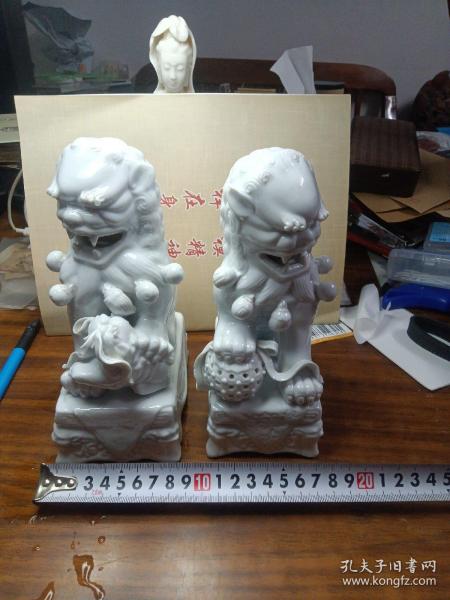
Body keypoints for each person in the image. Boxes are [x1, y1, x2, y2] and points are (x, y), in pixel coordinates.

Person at [149, 15, 196, 94]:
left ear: (188, 70)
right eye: (167, 68)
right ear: (158, 68)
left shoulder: (196, 101)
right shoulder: (152, 100)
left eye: (180, 69)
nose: (173, 76)